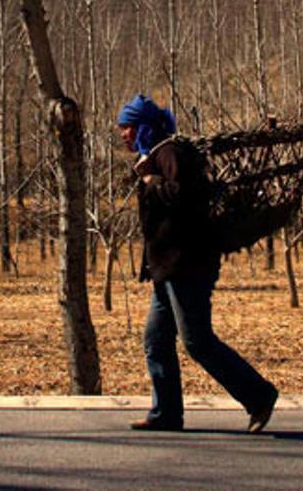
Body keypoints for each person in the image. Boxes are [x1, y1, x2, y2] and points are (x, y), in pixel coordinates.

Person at [116, 93, 279, 433]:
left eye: (128, 127)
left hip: (187, 266)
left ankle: (259, 395)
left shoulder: (170, 153)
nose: (123, 134)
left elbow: (185, 198)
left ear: (144, 126)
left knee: (197, 341)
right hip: (169, 269)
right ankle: (166, 414)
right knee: (156, 340)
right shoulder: (157, 154)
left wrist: (150, 180)